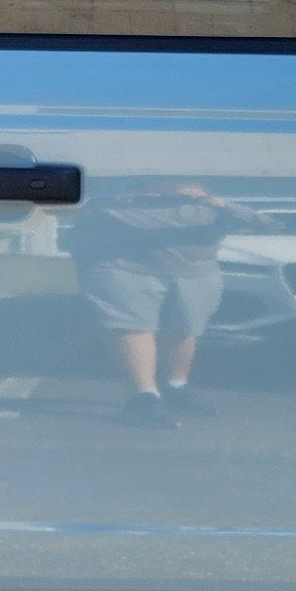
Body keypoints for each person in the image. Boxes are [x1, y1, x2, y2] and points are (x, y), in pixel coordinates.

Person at [69, 173, 236, 423]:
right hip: (124, 269)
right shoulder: (114, 205)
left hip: (192, 275)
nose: (187, 190)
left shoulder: (209, 208)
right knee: (133, 328)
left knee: (184, 328)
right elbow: (87, 222)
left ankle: (175, 387)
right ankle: (143, 397)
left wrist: (218, 204)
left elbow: (262, 221)